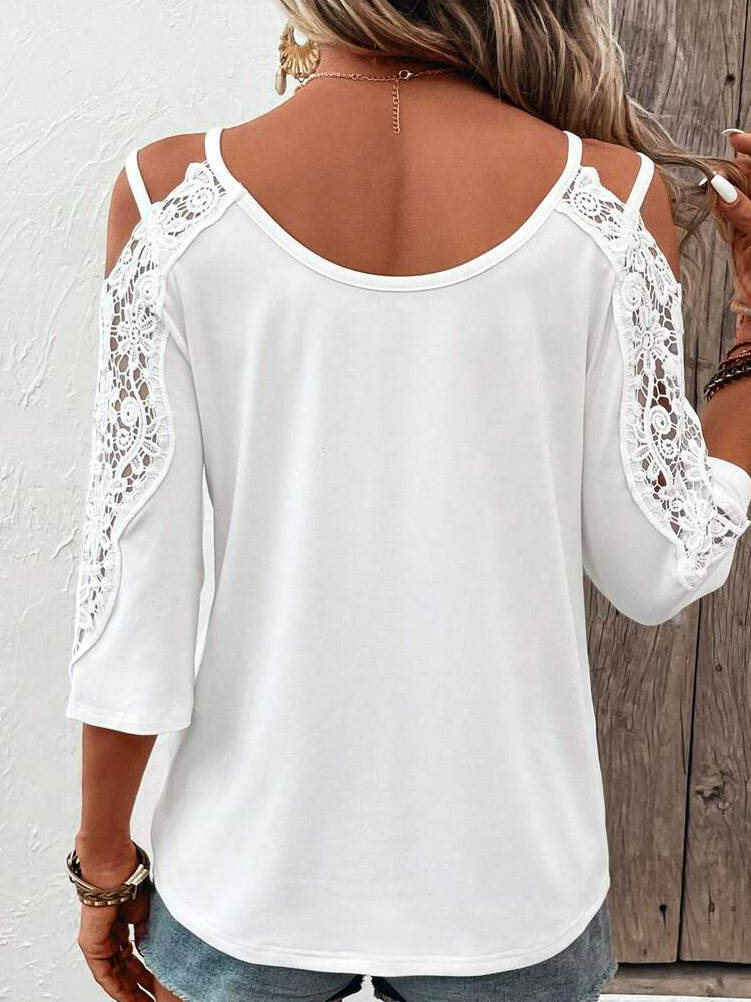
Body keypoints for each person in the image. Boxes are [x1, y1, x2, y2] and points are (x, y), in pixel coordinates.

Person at [65, 1, 751, 1000]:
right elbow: (661, 563)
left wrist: (102, 862)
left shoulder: (169, 198)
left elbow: (134, 590)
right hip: (510, 879)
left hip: (248, 867)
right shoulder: (609, 199)